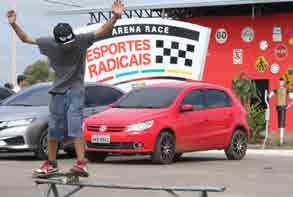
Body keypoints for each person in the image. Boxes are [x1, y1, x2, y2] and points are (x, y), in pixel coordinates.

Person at [7, 0, 124, 177]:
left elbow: (103, 31)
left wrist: (115, 16)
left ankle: (81, 163)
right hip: (58, 90)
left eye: (70, 41)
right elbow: (26, 39)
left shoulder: (81, 40)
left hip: (76, 88)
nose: (68, 45)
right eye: (65, 43)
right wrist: (14, 24)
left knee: (74, 124)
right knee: (54, 128)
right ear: (57, 41)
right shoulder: (48, 43)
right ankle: (52, 163)